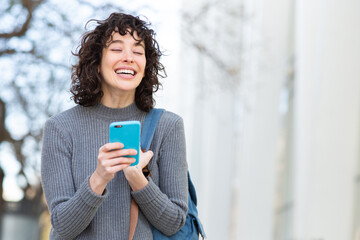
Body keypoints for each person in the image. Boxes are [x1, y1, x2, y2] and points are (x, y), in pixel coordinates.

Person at [41, 12, 188, 240]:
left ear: (145, 66)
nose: (129, 57)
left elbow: (175, 222)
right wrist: (99, 177)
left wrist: (138, 179)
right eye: (117, 49)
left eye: (138, 51)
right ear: (96, 63)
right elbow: (63, 226)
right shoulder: (61, 128)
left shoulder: (168, 127)